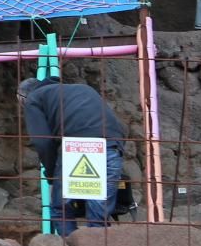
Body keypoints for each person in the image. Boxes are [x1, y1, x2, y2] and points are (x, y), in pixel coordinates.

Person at [18, 75, 125, 234]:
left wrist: (51, 175)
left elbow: (43, 142)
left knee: (60, 209)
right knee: (98, 212)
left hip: (77, 146)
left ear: (22, 97)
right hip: (112, 144)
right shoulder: (82, 89)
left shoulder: (34, 98)